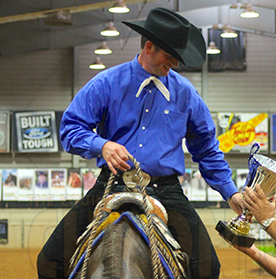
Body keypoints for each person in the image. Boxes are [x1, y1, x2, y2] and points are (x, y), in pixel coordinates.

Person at [37, 7, 244, 279]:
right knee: (50, 261)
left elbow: (206, 150)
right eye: (170, 57)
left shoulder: (185, 94)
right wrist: (102, 145)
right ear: (149, 47)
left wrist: (231, 193)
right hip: (110, 184)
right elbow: (70, 128)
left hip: (166, 191)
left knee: (207, 267)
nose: (176, 65)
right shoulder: (107, 83)